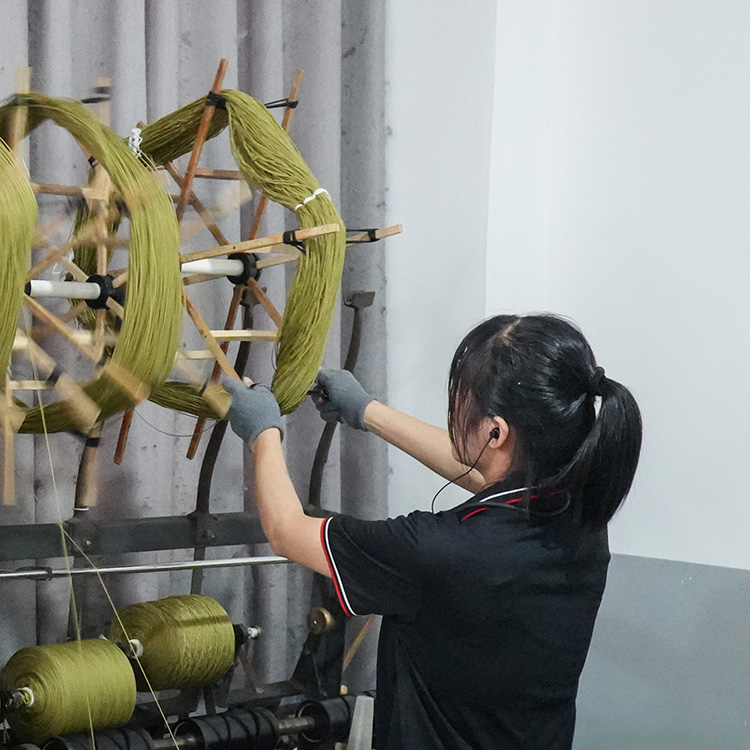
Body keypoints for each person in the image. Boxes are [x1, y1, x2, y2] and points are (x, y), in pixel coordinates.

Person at [223, 313, 642, 750]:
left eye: (461, 401)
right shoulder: (583, 516)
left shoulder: (440, 551)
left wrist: (262, 433)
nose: (456, 409)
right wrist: (368, 411)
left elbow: (287, 532)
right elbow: (485, 474)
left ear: (496, 432)